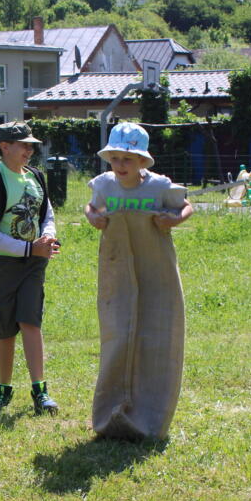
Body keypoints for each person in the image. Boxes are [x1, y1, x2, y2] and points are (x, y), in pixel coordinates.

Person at [84, 122, 193, 442]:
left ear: (142, 161)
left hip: (156, 271)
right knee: (118, 335)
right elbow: (92, 206)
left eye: (128, 159)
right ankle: (111, 412)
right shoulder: (105, 185)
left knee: (156, 336)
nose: (120, 165)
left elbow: (187, 206)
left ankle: (151, 415)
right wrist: (93, 217)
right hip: (117, 270)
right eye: (115, 158)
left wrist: (173, 219)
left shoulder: (159, 187)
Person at [0, 121, 61, 414]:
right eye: (24, 145)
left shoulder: (35, 176)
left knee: (30, 321)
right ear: (5, 147)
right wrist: (29, 248)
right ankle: (4, 389)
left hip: (34, 263)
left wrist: (47, 236)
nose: (29, 150)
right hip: (1, 265)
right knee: (5, 329)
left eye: (31, 145)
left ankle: (40, 391)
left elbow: (47, 214)